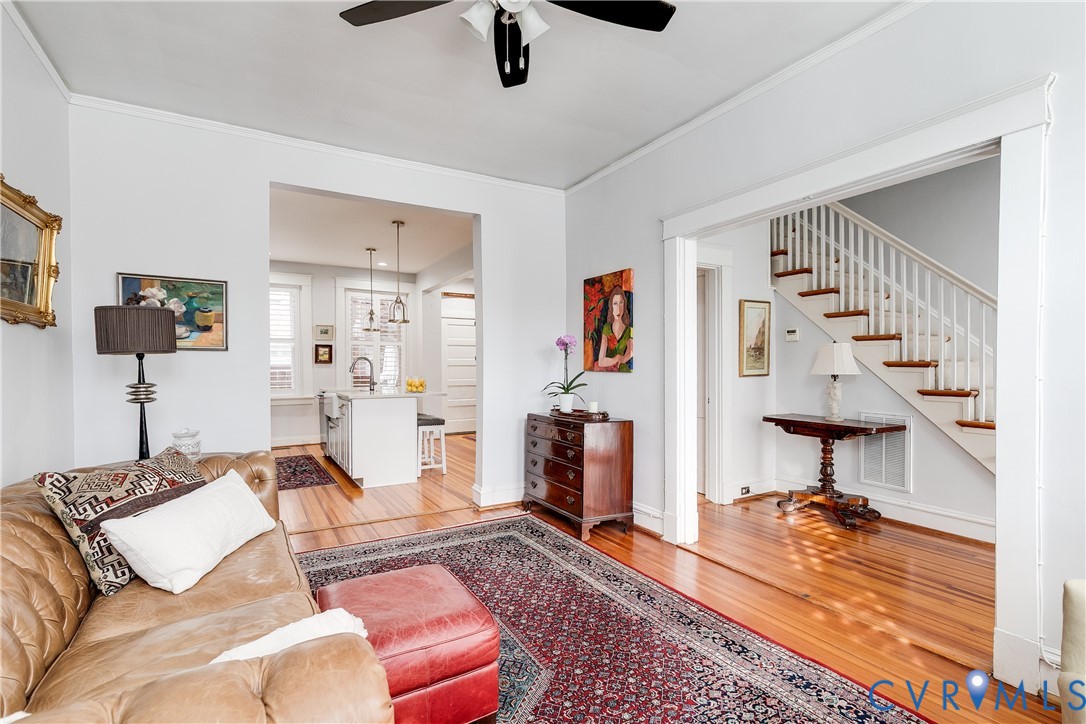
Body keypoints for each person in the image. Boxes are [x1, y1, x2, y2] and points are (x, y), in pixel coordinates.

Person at [596, 285, 633, 371]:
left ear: (624, 305)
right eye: (615, 304)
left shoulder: (628, 330)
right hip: (605, 370)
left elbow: (631, 351)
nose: (618, 309)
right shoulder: (607, 328)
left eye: (621, 303)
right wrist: (616, 358)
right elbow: (601, 362)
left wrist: (622, 359)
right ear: (611, 307)